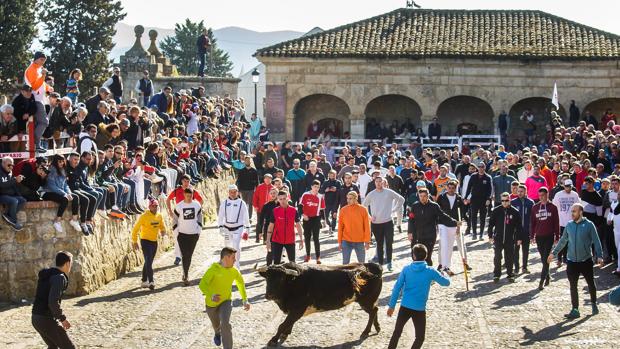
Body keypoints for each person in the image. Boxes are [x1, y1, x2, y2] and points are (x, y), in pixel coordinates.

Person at [387, 244, 450, 349]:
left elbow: (397, 288)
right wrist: (445, 274)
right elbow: (446, 283)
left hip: (405, 307)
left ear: (413, 256)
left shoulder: (406, 269)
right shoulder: (431, 271)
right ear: (426, 256)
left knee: (397, 332)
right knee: (420, 338)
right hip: (419, 309)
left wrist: (391, 306)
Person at [549, 203, 603, 318]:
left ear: (581, 212)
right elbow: (563, 241)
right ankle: (575, 309)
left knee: (591, 284)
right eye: (571, 211)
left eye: (574, 211)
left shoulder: (589, 225)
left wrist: (600, 255)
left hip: (586, 261)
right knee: (573, 286)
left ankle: (593, 303)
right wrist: (554, 253)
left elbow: (596, 241)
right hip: (572, 261)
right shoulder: (569, 225)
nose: (572, 213)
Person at [199, 247, 250, 349]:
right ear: (226, 258)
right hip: (211, 304)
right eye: (233, 258)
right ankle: (217, 333)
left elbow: (240, 283)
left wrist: (245, 299)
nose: (235, 260)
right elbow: (202, 284)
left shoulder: (234, 271)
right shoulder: (213, 270)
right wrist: (211, 295)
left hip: (226, 301)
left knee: (225, 324)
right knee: (216, 325)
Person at [32, 251, 75, 349]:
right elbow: (53, 301)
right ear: (67, 263)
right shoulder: (60, 278)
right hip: (45, 319)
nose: (70, 266)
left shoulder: (48, 274)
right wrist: (62, 319)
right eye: (71, 263)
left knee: (53, 346)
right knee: (69, 347)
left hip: (35, 318)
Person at [408, 187, 458, 267]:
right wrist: (410, 232)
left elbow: (443, 216)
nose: (422, 198)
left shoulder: (434, 206)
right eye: (421, 196)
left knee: (427, 257)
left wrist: (454, 222)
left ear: (428, 196)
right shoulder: (415, 206)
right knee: (415, 256)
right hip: (417, 235)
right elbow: (411, 220)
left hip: (430, 235)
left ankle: (428, 274)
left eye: (424, 196)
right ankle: (418, 274)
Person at [363, 176, 405, 271]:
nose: (378, 183)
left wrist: (394, 210)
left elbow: (401, 199)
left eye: (380, 181)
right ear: (374, 183)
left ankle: (389, 262)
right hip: (376, 223)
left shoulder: (389, 192)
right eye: (377, 181)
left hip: (388, 222)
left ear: (383, 182)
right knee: (379, 244)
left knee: (389, 243)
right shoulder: (371, 194)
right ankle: (380, 264)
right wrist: (370, 217)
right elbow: (364, 206)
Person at [166, 174, 204, 265]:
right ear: (181, 181)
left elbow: (201, 200)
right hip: (179, 217)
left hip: (190, 218)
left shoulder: (192, 191)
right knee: (177, 236)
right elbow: (168, 200)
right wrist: (171, 212)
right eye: (185, 181)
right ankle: (178, 257)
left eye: (188, 181)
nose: (186, 183)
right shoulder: (176, 191)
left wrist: (196, 211)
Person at [436, 180, 470, 275]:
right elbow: (438, 212)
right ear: (447, 187)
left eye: (453, 188)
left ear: (456, 188)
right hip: (443, 224)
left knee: (461, 244)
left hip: (456, 224)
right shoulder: (442, 197)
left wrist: (459, 226)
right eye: (449, 188)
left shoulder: (459, 198)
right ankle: (441, 264)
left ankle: (465, 262)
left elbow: (462, 213)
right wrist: (437, 225)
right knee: (443, 244)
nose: (451, 190)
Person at [488, 192, 523, 283]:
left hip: (510, 238)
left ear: (510, 200)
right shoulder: (496, 210)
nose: (504, 202)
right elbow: (491, 224)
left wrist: (519, 238)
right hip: (498, 238)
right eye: (502, 201)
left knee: (509, 257)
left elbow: (519, 226)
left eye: (506, 200)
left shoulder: (515, 211)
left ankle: (510, 274)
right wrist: (490, 235)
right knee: (497, 257)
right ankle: (497, 274)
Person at [131, 199, 165, 290]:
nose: (155, 208)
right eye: (153, 206)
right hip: (145, 241)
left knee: (148, 261)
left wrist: (163, 231)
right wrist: (134, 241)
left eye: (156, 206)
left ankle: (143, 281)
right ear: (149, 207)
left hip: (154, 242)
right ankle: (151, 281)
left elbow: (162, 225)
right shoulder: (144, 216)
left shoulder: (159, 216)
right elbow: (135, 229)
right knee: (149, 261)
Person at [530, 187, 560, 290]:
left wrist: (557, 235)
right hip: (539, 236)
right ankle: (547, 276)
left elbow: (556, 222)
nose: (541, 197)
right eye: (540, 196)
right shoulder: (535, 207)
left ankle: (541, 281)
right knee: (543, 259)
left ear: (547, 195)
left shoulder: (553, 207)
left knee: (546, 258)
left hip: (549, 236)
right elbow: (532, 223)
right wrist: (532, 235)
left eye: (543, 195)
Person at [173, 188, 203, 286]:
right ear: (184, 195)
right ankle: (186, 275)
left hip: (193, 234)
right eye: (187, 196)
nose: (189, 198)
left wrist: (199, 229)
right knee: (184, 255)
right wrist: (175, 230)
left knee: (189, 255)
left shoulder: (196, 205)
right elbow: (175, 218)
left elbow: (200, 217)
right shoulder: (179, 206)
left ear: (192, 195)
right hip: (182, 234)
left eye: (190, 196)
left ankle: (185, 273)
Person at [24, 51, 53, 152]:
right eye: (41, 60)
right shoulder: (31, 69)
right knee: (44, 122)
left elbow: (41, 84)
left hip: (39, 99)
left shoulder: (38, 69)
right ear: (36, 58)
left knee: (39, 123)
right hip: (34, 99)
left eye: (44, 60)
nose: (43, 62)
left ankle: (35, 144)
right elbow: (34, 86)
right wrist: (43, 76)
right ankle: (35, 144)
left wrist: (48, 87)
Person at [266, 191, 304, 264]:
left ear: (288, 198)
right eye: (280, 199)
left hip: (290, 240)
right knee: (276, 263)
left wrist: (301, 239)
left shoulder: (294, 210)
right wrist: (268, 241)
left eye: (284, 198)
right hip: (277, 240)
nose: (282, 201)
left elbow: (298, 225)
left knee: (292, 263)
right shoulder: (275, 211)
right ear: (277, 199)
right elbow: (270, 226)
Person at [217, 184, 250, 269]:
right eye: (231, 192)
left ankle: (237, 263)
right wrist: (220, 226)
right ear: (228, 192)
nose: (233, 193)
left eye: (234, 192)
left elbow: (246, 215)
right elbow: (221, 215)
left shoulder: (241, 203)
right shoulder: (224, 203)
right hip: (227, 229)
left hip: (238, 228)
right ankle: (227, 263)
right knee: (227, 246)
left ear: (237, 192)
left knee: (236, 245)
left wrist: (247, 228)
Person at [552, 179, 581, 267]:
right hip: (561, 222)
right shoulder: (558, 194)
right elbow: (554, 207)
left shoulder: (575, 194)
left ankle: (566, 258)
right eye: (566, 186)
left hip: (572, 222)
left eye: (570, 186)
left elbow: (579, 207)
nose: (568, 188)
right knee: (561, 241)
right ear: (563, 186)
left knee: (570, 241)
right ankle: (559, 259)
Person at [338, 191, 370, 264]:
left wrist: (367, 241)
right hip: (346, 240)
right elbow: (340, 227)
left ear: (356, 199)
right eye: (347, 198)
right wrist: (340, 242)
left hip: (359, 241)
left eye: (350, 198)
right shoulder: (343, 210)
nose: (348, 200)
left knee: (362, 264)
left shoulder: (363, 209)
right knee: (345, 264)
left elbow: (367, 227)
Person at [299, 180, 325, 263]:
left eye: (318, 187)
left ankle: (318, 257)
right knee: (307, 238)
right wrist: (303, 215)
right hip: (307, 219)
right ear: (311, 187)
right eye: (315, 187)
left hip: (316, 219)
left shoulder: (320, 196)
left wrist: (323, 220)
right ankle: (308, 255)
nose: (316, 189)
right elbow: (300, 207)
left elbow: (322, 210)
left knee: (316, 238)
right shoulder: (305, 194)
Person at [465, 162, 493, 240]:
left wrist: (488, 199)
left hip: (484, 200)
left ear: (484, 168)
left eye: (482, 167)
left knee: (482, 218)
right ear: (478, 168)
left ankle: (481, 234)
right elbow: (469, 187)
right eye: (479, 167)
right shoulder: (473, 176)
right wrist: (466, 197)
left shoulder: (488, 177)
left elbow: (490, 190)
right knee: (473, 217)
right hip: (474, 199)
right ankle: (474, 233)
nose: (481, 168)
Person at [511, 185, 534, 274]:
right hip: (516, 231)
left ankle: (524, 267)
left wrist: (532, 231)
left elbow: (533, 217)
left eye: (522, 191)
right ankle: (516, 267)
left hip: (526, 231)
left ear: (525, 192)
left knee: (525, 250)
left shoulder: (530, 202)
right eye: (518, 191)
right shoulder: (513, 202)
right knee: (516, 250)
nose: (520, 193)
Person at [0, 156, 27, 230]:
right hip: (1, 195)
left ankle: (8, 216)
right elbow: (1, 185)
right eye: (9, 165)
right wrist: (14, 180)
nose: (11, 167)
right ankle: (14, 222)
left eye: (12, 165)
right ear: (3, 163)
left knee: (22, 200)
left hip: (8, 195)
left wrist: (19, 194)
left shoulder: (10, 171)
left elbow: (12, 185)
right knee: (14, 201)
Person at [252, 173, 275, 242]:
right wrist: (255, 206)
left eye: (269, 179)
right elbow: (255, 197)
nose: (267, 180)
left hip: (270, 209)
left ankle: (265, 239)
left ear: (271, 180)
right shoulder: (259, 187)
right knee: (259, 223)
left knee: (268, 224)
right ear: (264, 179)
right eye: (266, 178)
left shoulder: (273, 188)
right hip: (260, 208)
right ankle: (257, 238)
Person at [236, 155, 259, 220]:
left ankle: (249, 217)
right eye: (246, 160)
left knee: (250, 203)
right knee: (244, 203)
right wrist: (238, 190)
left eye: (249, 160)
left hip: (251, 190)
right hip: (243, 190)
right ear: (244, 161)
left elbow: (257, 181)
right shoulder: (241, 171)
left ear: (250, 161)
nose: (247, 161)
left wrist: (257, 190)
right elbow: (239, 181)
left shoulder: (254, 171)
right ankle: (244, 216)